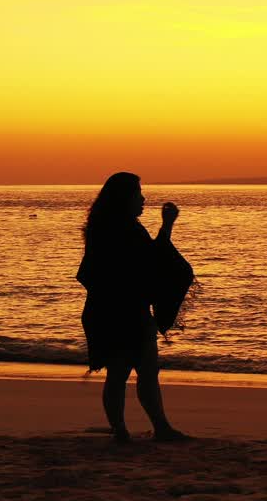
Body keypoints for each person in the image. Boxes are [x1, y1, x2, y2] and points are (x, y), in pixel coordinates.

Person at [77, 171, 189, 443]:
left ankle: (131, 430)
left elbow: (145, 261)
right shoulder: (120, 229)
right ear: (124, 198)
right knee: (132, 371)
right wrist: (167, 225)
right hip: (122, 312)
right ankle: (142, 429)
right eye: (138, 194)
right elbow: (153, 260)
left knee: (133, 372)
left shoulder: (105, 227)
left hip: (113, 311)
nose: (143, 199)